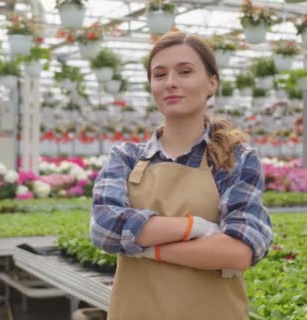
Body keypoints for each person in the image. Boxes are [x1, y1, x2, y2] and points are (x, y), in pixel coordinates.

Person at [90, 31, 273, 320]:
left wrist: (145, 250)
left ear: (212, 83)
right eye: (159, 74)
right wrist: (199, 228)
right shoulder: (126, 157)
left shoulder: (234, 159)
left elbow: (239, 251)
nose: (170, 82)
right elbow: (104, 228)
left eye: (185, 71)